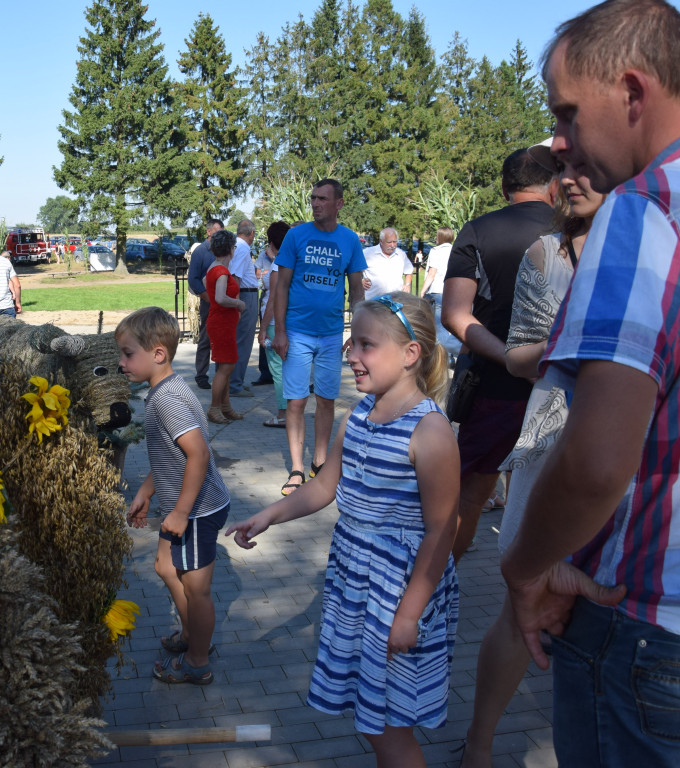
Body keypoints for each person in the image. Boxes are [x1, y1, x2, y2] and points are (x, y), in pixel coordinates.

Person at [501, 2, 680, 765]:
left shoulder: (643, 211)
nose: (558, 140)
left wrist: (524, 569)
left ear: (633, 93)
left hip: (645, 631)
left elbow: (598, 462)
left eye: (568, 113)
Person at [228, 292, 459, 768]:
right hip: (357, 583)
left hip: (397, 592)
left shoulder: (430, 432)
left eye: (365, 346)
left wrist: (410, 613)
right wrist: (270, 513)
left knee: (391, 728)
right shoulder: (358, 418)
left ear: (411, 353)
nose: (350, 355)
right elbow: (325, 487)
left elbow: (442, 530)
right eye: (351, 343)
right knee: (372, 720)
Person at [459, 144, 605, 768]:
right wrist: (560, 351)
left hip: (637, 464)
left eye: (588, 168)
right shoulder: (549, 253)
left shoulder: (660, 247)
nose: (572, 179)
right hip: (551, 440)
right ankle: (479, 744)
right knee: (525, 599)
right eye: (566, 169)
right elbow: (516, 350)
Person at [442, 149, 557, 561]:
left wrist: (510, 358)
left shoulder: (478, 230)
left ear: (505, 187)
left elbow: (456, 314)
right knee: (555, 494)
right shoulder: (581, 232)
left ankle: (439, 587)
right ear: (555, 185)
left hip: (494, 384)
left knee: (469, 493)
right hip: (562, 384)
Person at [116, 307, 230, 686]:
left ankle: (198, 659)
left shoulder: (167, 399)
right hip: (181, 505)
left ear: (158, 354)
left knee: (197, 590)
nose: (121, 363)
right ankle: (191, 636)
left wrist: (180, 511)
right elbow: (172, 455)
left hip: (198, 509)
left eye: (128, 354)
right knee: (166, 567)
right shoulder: (162, 391)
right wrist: (147, 491)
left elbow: (198, 453)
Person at [273, 179, 366, 496]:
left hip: (330, 335)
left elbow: (355, 290)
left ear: (339, 204)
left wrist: (357, 332)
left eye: (322, 199)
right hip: (296, 333)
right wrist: (279, 331)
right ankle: (297, 469)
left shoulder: (350, 240)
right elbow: (281, 285)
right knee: (296, 402)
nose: (315, 203)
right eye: (313, 198)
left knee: (326, 400)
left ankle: (320, 462)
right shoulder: (296, 236)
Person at [204, 230, 246, 424]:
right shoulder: (221, 271)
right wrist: (238, 304)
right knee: (226, 366)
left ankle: (225, 407)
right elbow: (220, 298)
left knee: (225, 366)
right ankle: (215, 408)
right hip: (221, 323)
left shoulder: (214, 267)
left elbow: (206, 284)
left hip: (221, 322)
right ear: (231, 249)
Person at [257, 221, 291, 428]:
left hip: (275, 323)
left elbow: (273, 300)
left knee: (278, 370)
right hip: (292, 321)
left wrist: (262, 329)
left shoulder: (279, 264)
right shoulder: (296, 261)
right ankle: (291, 412)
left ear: (271, 242)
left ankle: (283, 414)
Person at [186, 219, 225, 390]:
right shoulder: (201, 252)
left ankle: (221, 374)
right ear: (209, 232)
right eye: (217, 231)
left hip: (223, 301)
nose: (220, 234)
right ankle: (201, 375)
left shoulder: (222, 251)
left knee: (222, 339)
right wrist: (205, 295)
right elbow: (193, 278)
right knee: (206, 338)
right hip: (208, 302)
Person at [229, 219, 260, 398]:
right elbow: (235, 277)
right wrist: (237, 302)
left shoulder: (236, 246)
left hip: (244, 294)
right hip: (245, 295)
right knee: (243, 341)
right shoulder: (243, 248)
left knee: (239, 340)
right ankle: (235, 384)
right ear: (251, 233)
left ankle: (234, 382)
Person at [419, 227, 459, 360]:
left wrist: (423, 290)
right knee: (454, 325)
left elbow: (432, 273)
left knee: (438, 327)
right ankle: (450, 355)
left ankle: (452, 353)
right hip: (454, 291)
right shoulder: (456, 250)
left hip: (437, 291)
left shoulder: (436, 251)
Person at [362, 228, 414, 300]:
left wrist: (407, 284)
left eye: (395, 242)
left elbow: (409, 270)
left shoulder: (401, 254)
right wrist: (361, 281)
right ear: (381, 241)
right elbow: (355, 270)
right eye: (389, 242)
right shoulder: (367, 253)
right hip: (373, 302)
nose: (392, 245)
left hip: (396, 301)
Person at [252, 238, 276, 386]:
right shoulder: (262, 255)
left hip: (277, 299)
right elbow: (257, 274)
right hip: (266, 295)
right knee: (265, 336)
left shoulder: (283, 256)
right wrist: (265, 273)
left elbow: (271, 273)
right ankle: (265, 373)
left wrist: (273, 259)